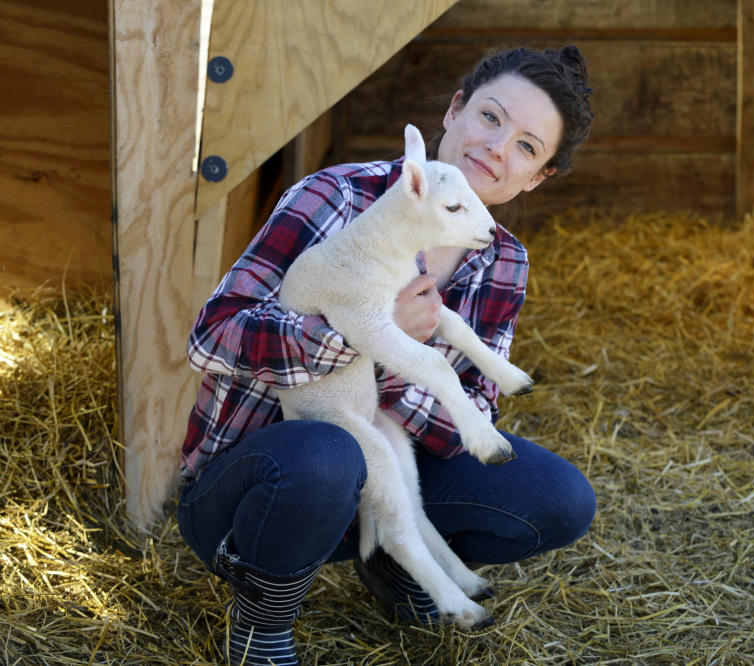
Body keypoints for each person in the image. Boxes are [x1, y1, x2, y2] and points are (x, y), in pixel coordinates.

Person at [177, 45, 597, 665]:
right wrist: (362, 334)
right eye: (490, 117)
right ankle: (263, 617)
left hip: (381, 468)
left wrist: (402, 352)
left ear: (537, 178)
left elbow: (469, 422)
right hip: (259, 484)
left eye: (528, 148)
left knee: (559, 498)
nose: (498, 149)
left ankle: (390, 560)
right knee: (328, 450)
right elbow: (212, 336)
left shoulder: (502, 259)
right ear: (453, 111)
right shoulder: (336, 198)